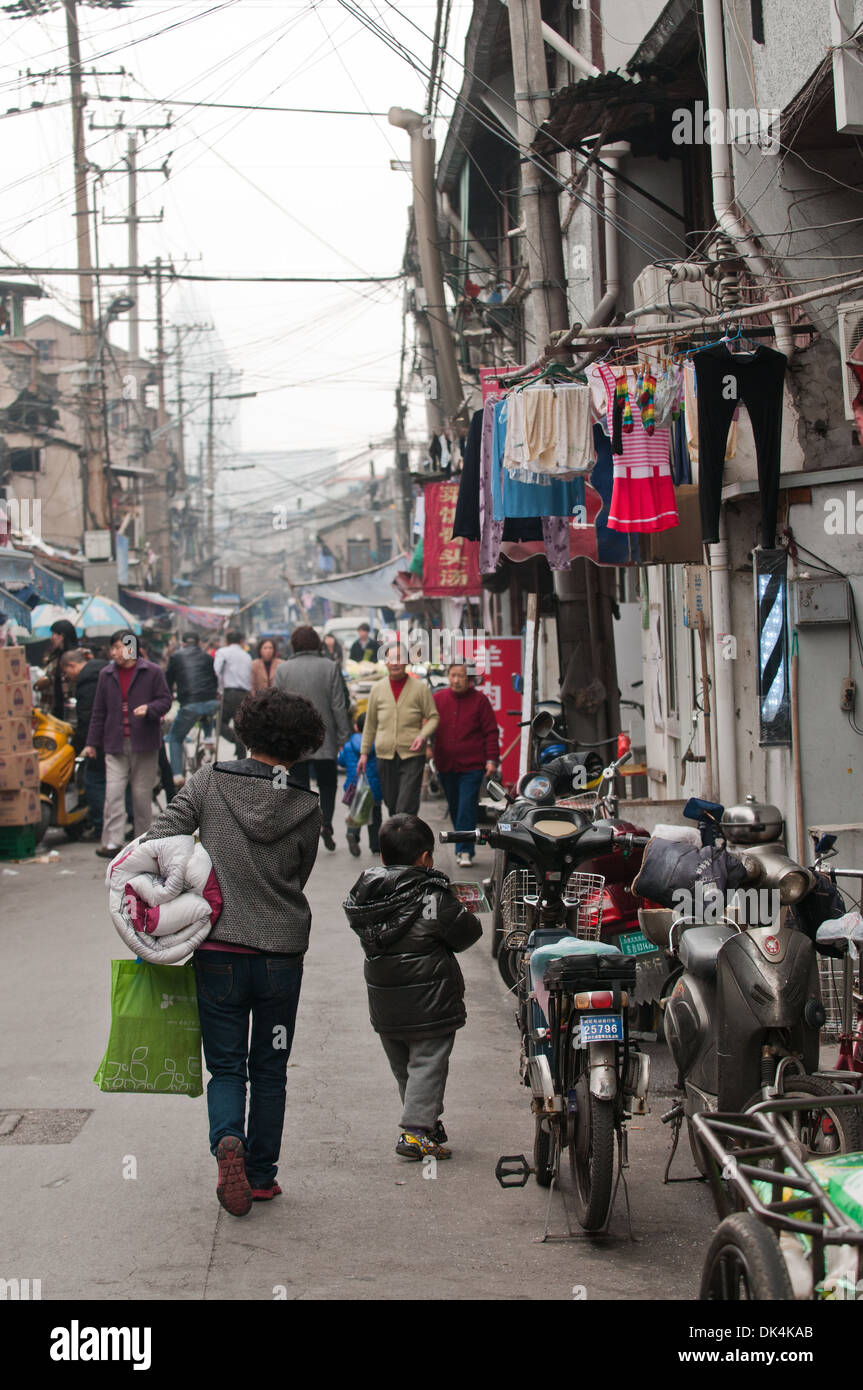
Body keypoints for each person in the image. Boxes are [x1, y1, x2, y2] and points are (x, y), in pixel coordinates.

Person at [141, 687, 325, 1215]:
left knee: (226, 1068)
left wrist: (200, 868)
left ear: (247, 731)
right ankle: (262, 1176)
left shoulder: (206, 781)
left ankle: (229, 1141)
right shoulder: (306, 804)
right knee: (270, 1067)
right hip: (281, 956)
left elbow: (159, 840)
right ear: (301, 744)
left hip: (217, 949)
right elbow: (299, 873)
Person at [343, 813, 482, 1161]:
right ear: (424, 858)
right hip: (430, 1000)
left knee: (407, 1067)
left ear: (384, 858)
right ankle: (415, 1132)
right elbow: (466, 933)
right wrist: (463, 908)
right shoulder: (432, 895)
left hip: (385, 1000)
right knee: (428, 1063)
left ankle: (426, 1125)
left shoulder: (366, 895)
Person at [83, 630, 172, 857]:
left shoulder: (151, 671)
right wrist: (92, 743)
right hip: (114, 744)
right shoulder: (106, 674)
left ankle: (142, 841)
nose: (114, 652)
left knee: (141, 795)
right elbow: (98, 711)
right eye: (112, 648)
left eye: (118, 647)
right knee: (113, 794)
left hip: (145, 742)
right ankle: (112, 842)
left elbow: (165, 700)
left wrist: (149, 709)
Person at [274, 625, 350, 851]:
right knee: (328, 783)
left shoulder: (283, 670)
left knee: (300, 786)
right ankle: (325, 823)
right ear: (317, 643)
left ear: (294, 644)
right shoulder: (330, 667)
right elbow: (338, 705)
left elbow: (276, 707)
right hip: (325, 737)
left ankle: (306, 826)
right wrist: (344, 735)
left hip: (294, 739)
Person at [433, 663, 500, 869]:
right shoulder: (438, 699)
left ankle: (464, 850)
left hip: (472, 765)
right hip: (445, 764)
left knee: (466, 807)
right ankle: (461, 841)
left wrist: (491, 760)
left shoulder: (480, 700)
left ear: (469, 679)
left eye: (460, 676)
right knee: (454, 807)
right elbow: (427, 725)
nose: (456, 680)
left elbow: (490, 732)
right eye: (453, 675)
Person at [358, 645, 438, 817]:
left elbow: (433, 717)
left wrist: (422, 735)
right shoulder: (377, 689)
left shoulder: (420, 688)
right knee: (392, 803)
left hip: (412, 754)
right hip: (384, 754)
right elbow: (370, 724)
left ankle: (404, 839)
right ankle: (401, 837)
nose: (395, 663)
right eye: (391, 659)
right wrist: (364, 753)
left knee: (406, 803)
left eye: (399, 659)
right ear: (385, 663)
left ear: (407, 662)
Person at [62, 646, 108, 839]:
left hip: (101, 739)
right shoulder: (103, 670)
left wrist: (74, 748)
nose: (67, 677)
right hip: (115, 736)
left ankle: (100, 826)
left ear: (72, 665)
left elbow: (88, 718)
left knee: (94, 780)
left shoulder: (86, 682)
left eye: (66, 672)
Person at [165, 633, 220, 784]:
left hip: (190, 703)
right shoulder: (207, 657)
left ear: (182, 644)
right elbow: (213, 680)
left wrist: (168, 697)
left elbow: (167, 681)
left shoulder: (176, 657)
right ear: (199, 643)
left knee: (175, 738)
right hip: (211, 702)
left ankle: (177, 775)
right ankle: (208, 739)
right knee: (207, 708)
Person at [338, 712, 382, 857]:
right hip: (373, 787)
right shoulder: (377, 744)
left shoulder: (349, 745)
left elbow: (341, 761)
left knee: (356, 814)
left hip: (354, 787)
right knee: (375, 817)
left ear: (356, 727)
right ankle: (375, 845)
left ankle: (352, 835)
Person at [214, 630, 252, 758]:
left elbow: (217, 672)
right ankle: (241, 757)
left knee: (218, 722)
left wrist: (218, 690)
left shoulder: (222, 652)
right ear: (241, 642)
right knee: (240, 726)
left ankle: (235, 739)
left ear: (226, 641)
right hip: (244, 694)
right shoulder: (247, 656)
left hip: (229, 693)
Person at [35, 618, 78, 717]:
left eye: (54, 634)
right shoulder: (54, 657)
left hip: (72, 709)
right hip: (54, 708)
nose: (51, 638)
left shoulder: (78, 656)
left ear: (62, 636)